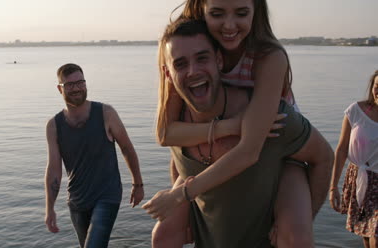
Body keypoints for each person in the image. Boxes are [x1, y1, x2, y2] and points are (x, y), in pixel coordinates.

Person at [142, 18, 333, 248]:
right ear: (168, 74)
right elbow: (180, 163)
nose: (193, 71)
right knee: (161, 236)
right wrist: (186, 210)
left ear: (219, 60)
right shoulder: (177, 126)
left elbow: (324, 157)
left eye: (202, 58)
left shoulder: (271, 119)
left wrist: (305, 219)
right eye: (180, 64)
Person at [44, 63, 144, 248]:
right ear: (60, 89)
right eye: (70, 85)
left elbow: (127, 148)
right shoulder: (54, 126)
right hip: (77, 200)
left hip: (107, 195)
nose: (76, 88)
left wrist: (137, 183)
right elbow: (54, 169)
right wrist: (50, 209)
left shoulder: (106, 113)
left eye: (80, 82)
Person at [330, 70, 378, 248]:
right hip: (359, 177)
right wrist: (333, 187)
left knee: (376, 232)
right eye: (376, 87)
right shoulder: (356, 111)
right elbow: (342, 150)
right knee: (365, 232)